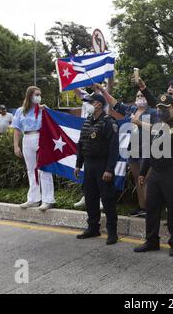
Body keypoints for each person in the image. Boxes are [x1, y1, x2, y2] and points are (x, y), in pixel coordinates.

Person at [134, 94, 173, 257]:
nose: (161, 111)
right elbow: (150, 149)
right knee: (152, 208)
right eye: (159, 108)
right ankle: (152, 241)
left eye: (165, 108)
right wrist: (142, 172)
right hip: (155, 173)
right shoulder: (156, 124)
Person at [97, 84, 158, 218]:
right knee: (138, 179)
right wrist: (103, 91)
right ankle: (142, 207)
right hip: (133, 150)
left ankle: (150, 209)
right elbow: (115, 104)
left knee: (146, 179)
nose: (140, 97)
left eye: (142, 95)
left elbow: (157, 128)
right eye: (137, 96)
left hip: (147, 150)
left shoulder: (153, 112)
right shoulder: (132, 109)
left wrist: (139, 123)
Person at [74, 92, 120, 245]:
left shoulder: (109, 122)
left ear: (99, 104)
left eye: (89, 102)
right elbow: (81, 144)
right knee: (90, 198)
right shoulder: (87, 121)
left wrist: (109, 169)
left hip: (103, 165)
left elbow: (114, 149)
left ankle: (112, 232)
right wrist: (78, 164)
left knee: (107, 199)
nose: (87, 105)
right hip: (89, 165)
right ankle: (93, 228)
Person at [12, 86, 55, 211]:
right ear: (29, 95)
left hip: (41, 138)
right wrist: (16, 146)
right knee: (31, 170)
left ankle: (48, 200)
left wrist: (46, 109)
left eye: (40, 94)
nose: (39, 97)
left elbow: (53, 122)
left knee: (44, 169)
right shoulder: (20, 111)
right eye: (37, 94)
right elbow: (17, 129)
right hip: (27, 138)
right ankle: (33, 199)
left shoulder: (42, 109)